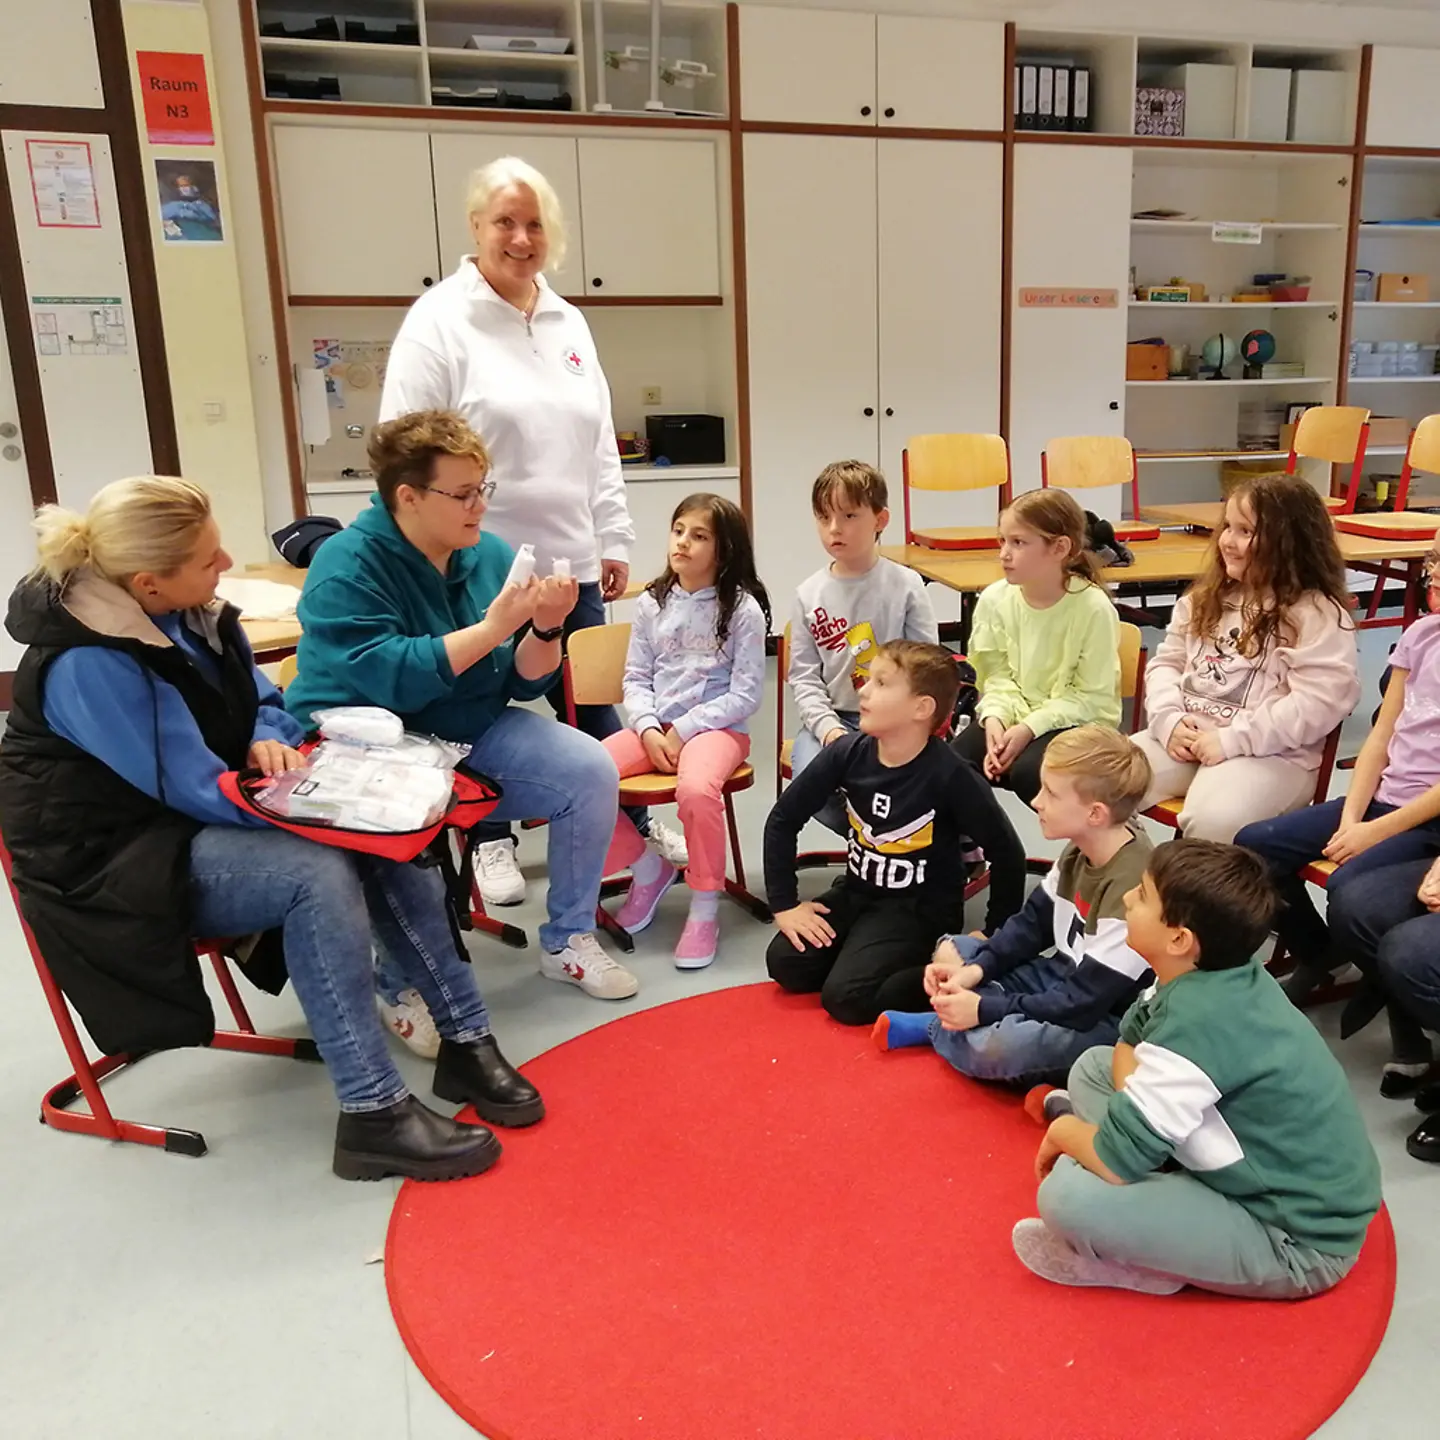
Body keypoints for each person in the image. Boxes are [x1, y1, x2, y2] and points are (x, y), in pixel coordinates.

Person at [0, 477, 539, 1182]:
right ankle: (373, 1112)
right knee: (319, 871)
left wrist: (266, 738)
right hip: (111, 865)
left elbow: (266, 701)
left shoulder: (193, 614)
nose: (226, 564)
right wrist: (327, 813)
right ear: (148, 583)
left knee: (386, 837)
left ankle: (467, 1041)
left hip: (190, 820)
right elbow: (190, 785)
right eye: (208, 559)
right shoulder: (87, 662)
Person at [378, 155, 681, 908]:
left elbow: (599, 440)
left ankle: (630, 821)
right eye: (505, 222)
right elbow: (402, 445)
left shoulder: (568, 320)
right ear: (475, 226)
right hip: (478, 565)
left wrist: (612, 537)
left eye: (534, 224)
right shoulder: (439, 321)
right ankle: (490, 840)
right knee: (483, 706)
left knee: (593, 702)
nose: (520, 238)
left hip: (572, 557)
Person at [286, 410, 638, 1002]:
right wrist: (495, 626)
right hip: (366, 746)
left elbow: (523, 682)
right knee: (402, 824)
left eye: (483, 488)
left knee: (589, 770)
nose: (480, 505)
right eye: (464, 494)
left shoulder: (488, 554)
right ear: (409, 496)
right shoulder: (346, 565)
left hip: (464, 729)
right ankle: (399, 986)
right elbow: (394, 679)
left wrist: (546, 629)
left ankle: (568, 940)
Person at [1013, 840, 1381, 1299]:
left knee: (1065, 1198)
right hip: (1246, 1165)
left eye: (1142, 895)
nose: (1127, 897)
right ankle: (1151, 1146)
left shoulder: (1202, 1021)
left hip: (1294, 1239)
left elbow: (1114, 1163)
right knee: (1093, 1067)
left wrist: (1064, 1133)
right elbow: (1129, 1041)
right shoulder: (1204, 972)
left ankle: (1141, 1255)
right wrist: (1134, 1123)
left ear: (1179, 939)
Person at [873, 725, 1153, 1087]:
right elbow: (1031, 924)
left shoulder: (1133, 886)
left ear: (1095, 814)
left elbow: (1081, 1002)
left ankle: (938, 1026)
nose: (1037, 801)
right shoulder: (1082, 844)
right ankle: (965, 1019)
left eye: (1051, 793)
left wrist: (983, 1008)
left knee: (999, 1047)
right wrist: (976, 971)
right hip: (1057, 978)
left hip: (1100, 1017)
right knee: (952, 952)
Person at [764, 640, 1025, 1026]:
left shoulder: (951, 775)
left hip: (917, 910)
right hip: (858, 892)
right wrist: (785, 905)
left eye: (882, 683)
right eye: (869, 680)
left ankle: (951, 970)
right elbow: (783, 819)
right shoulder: (848, 752)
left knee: (846, 999)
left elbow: (1007, 853)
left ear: (922, 708)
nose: (863, 691)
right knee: (786, 963)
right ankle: (864, 957)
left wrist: (992, 937)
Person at [1237, 560, 1440, 1020]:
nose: (1434, 575)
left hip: (1426, 820)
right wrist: (1351, 819)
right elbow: (1381, 735)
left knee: (1349, 889)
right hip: (1381, 799)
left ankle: (1389, 994)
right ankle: (1322, 953)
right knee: (1254, 846)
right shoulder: (1421, 635)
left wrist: (1373, 832)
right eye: (1434, 562)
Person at [1131, 474, 1359, 842]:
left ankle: (1186, 878)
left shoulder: (1316, 614)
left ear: (1287, 543)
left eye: (1245, 531)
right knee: (1094, 778)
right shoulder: (1203, 599)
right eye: (1227, 527)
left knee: (1213, 819)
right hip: (1186, 739)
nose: (1227, 541)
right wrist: (1168, 720)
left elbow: (1317, 704)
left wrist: (1233, 740)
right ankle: (1125, 872)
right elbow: (1166, 665)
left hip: (1270, 755)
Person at [602, 494, 769, 970]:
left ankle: (704, 904)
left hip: (718, 729)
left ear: (724, 550)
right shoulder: (652, 602)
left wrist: (686, 729)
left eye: (699, 536)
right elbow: (636, 678)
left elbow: (746, 694)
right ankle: (647, 868)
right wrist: (648, 728)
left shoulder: (742, 610)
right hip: (655, 727)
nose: (683, 543)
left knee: (696, 791)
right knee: (585, 776)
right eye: (678, 531)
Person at [788, 460, 938, 834]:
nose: (834, 529)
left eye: (849, 515)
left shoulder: (907, 586)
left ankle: (901, 845)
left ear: (880, 519)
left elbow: (928, 668)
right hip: (835, 718)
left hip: (898, 720)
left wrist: (897, 723)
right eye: (823, 517)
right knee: (810, 782)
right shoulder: (808, 594)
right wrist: (829, 731)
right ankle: (873, 843)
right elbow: (804, 679)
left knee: (925, 779)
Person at [951, 489, 1120, 807]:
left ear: (1059, 548)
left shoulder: (1093, 608)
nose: (1004, 554)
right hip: (1016, 712)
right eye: (1002, 541)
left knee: (1032, 773)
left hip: (1078, 723)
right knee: (951, 768)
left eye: (1018, 543)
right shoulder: (994, 599)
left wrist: (1029, 728)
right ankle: (982, 838)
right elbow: (996, 677)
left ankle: (1096, 833)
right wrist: (996, 718)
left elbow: (1092, 698)